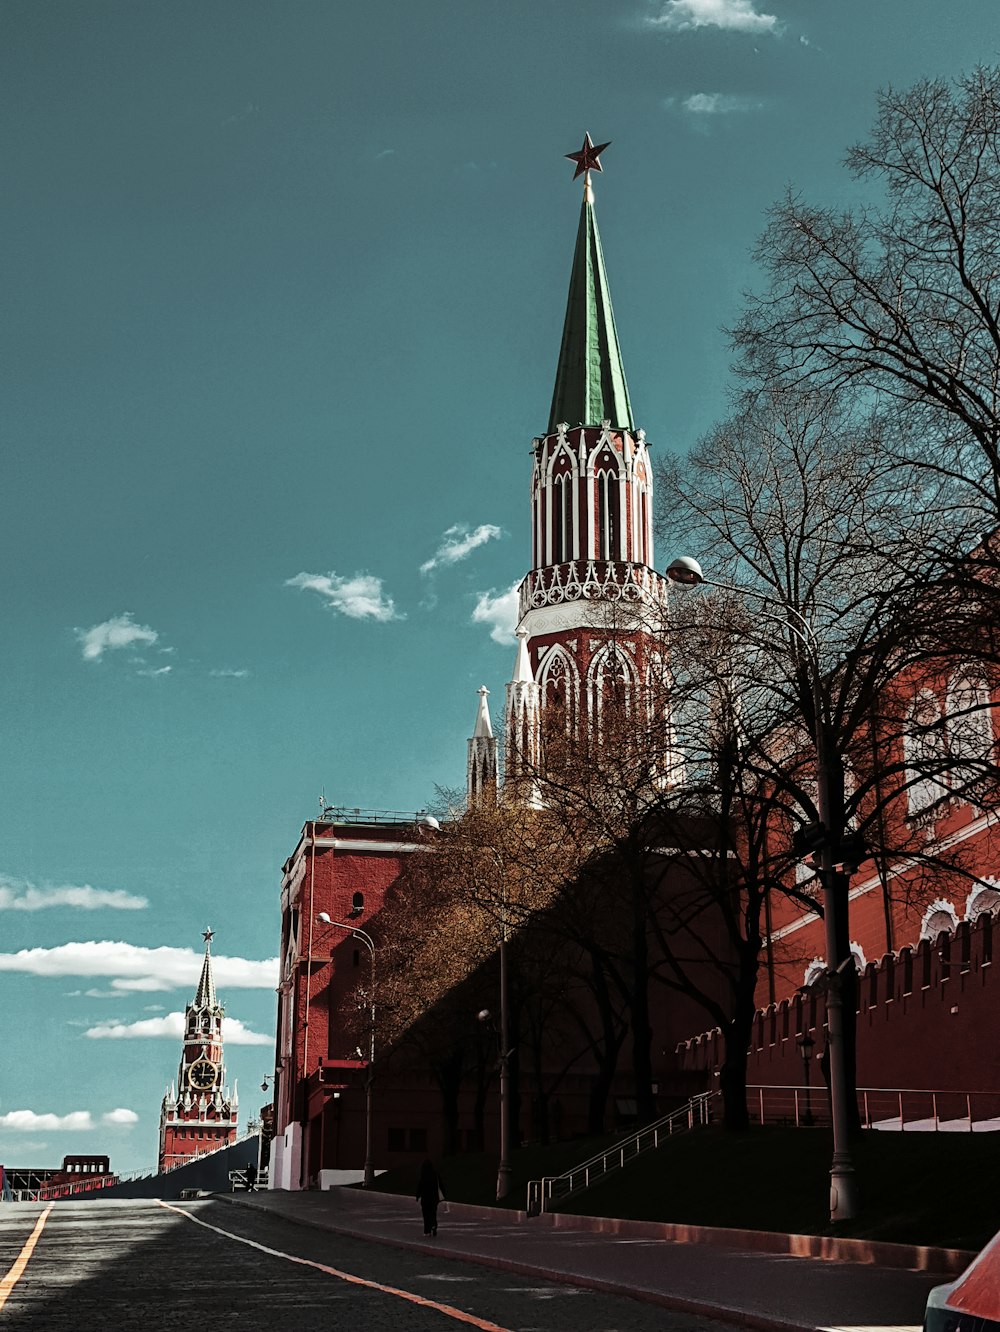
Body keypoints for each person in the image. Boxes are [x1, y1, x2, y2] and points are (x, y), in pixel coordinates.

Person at [415, 1158, 444, 1236]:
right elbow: (440, 1185)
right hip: (434, 1198)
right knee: (433, 1213)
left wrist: (417, 1196)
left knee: (426, 1214)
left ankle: (427, 1230)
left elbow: (420, 1187)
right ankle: (434, 1225)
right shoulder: (435, 1174)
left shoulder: (423, 1175)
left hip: (425, 1198)